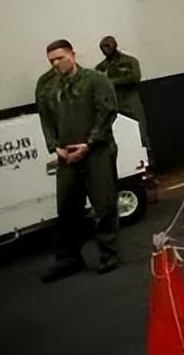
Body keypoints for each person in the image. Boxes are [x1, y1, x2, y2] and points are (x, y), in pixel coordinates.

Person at [36, 39, 119, 280]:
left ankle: (108, 253)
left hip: (96, 151)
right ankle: (69, 257)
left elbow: (107, 112)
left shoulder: (95, 80)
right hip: (66, 154)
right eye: (51, 60)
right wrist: (55, 147)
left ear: (72, 54)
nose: (55, 64)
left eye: (60, 58)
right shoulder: (46, 85)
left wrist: (89, 143)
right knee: (67, 207)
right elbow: (45, 118)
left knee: (104, 204)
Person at [95, 36, 148, 148]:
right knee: (118, 134)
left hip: (130, 100)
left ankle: (146, 154)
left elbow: (135, 77)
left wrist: (111, 81)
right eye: (102, 47)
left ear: (115, 45)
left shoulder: (130, 61)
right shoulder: (101, 67)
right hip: (114, 103)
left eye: (108, 46)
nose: (105, 49)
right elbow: (98, 84)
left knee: (140, 130)